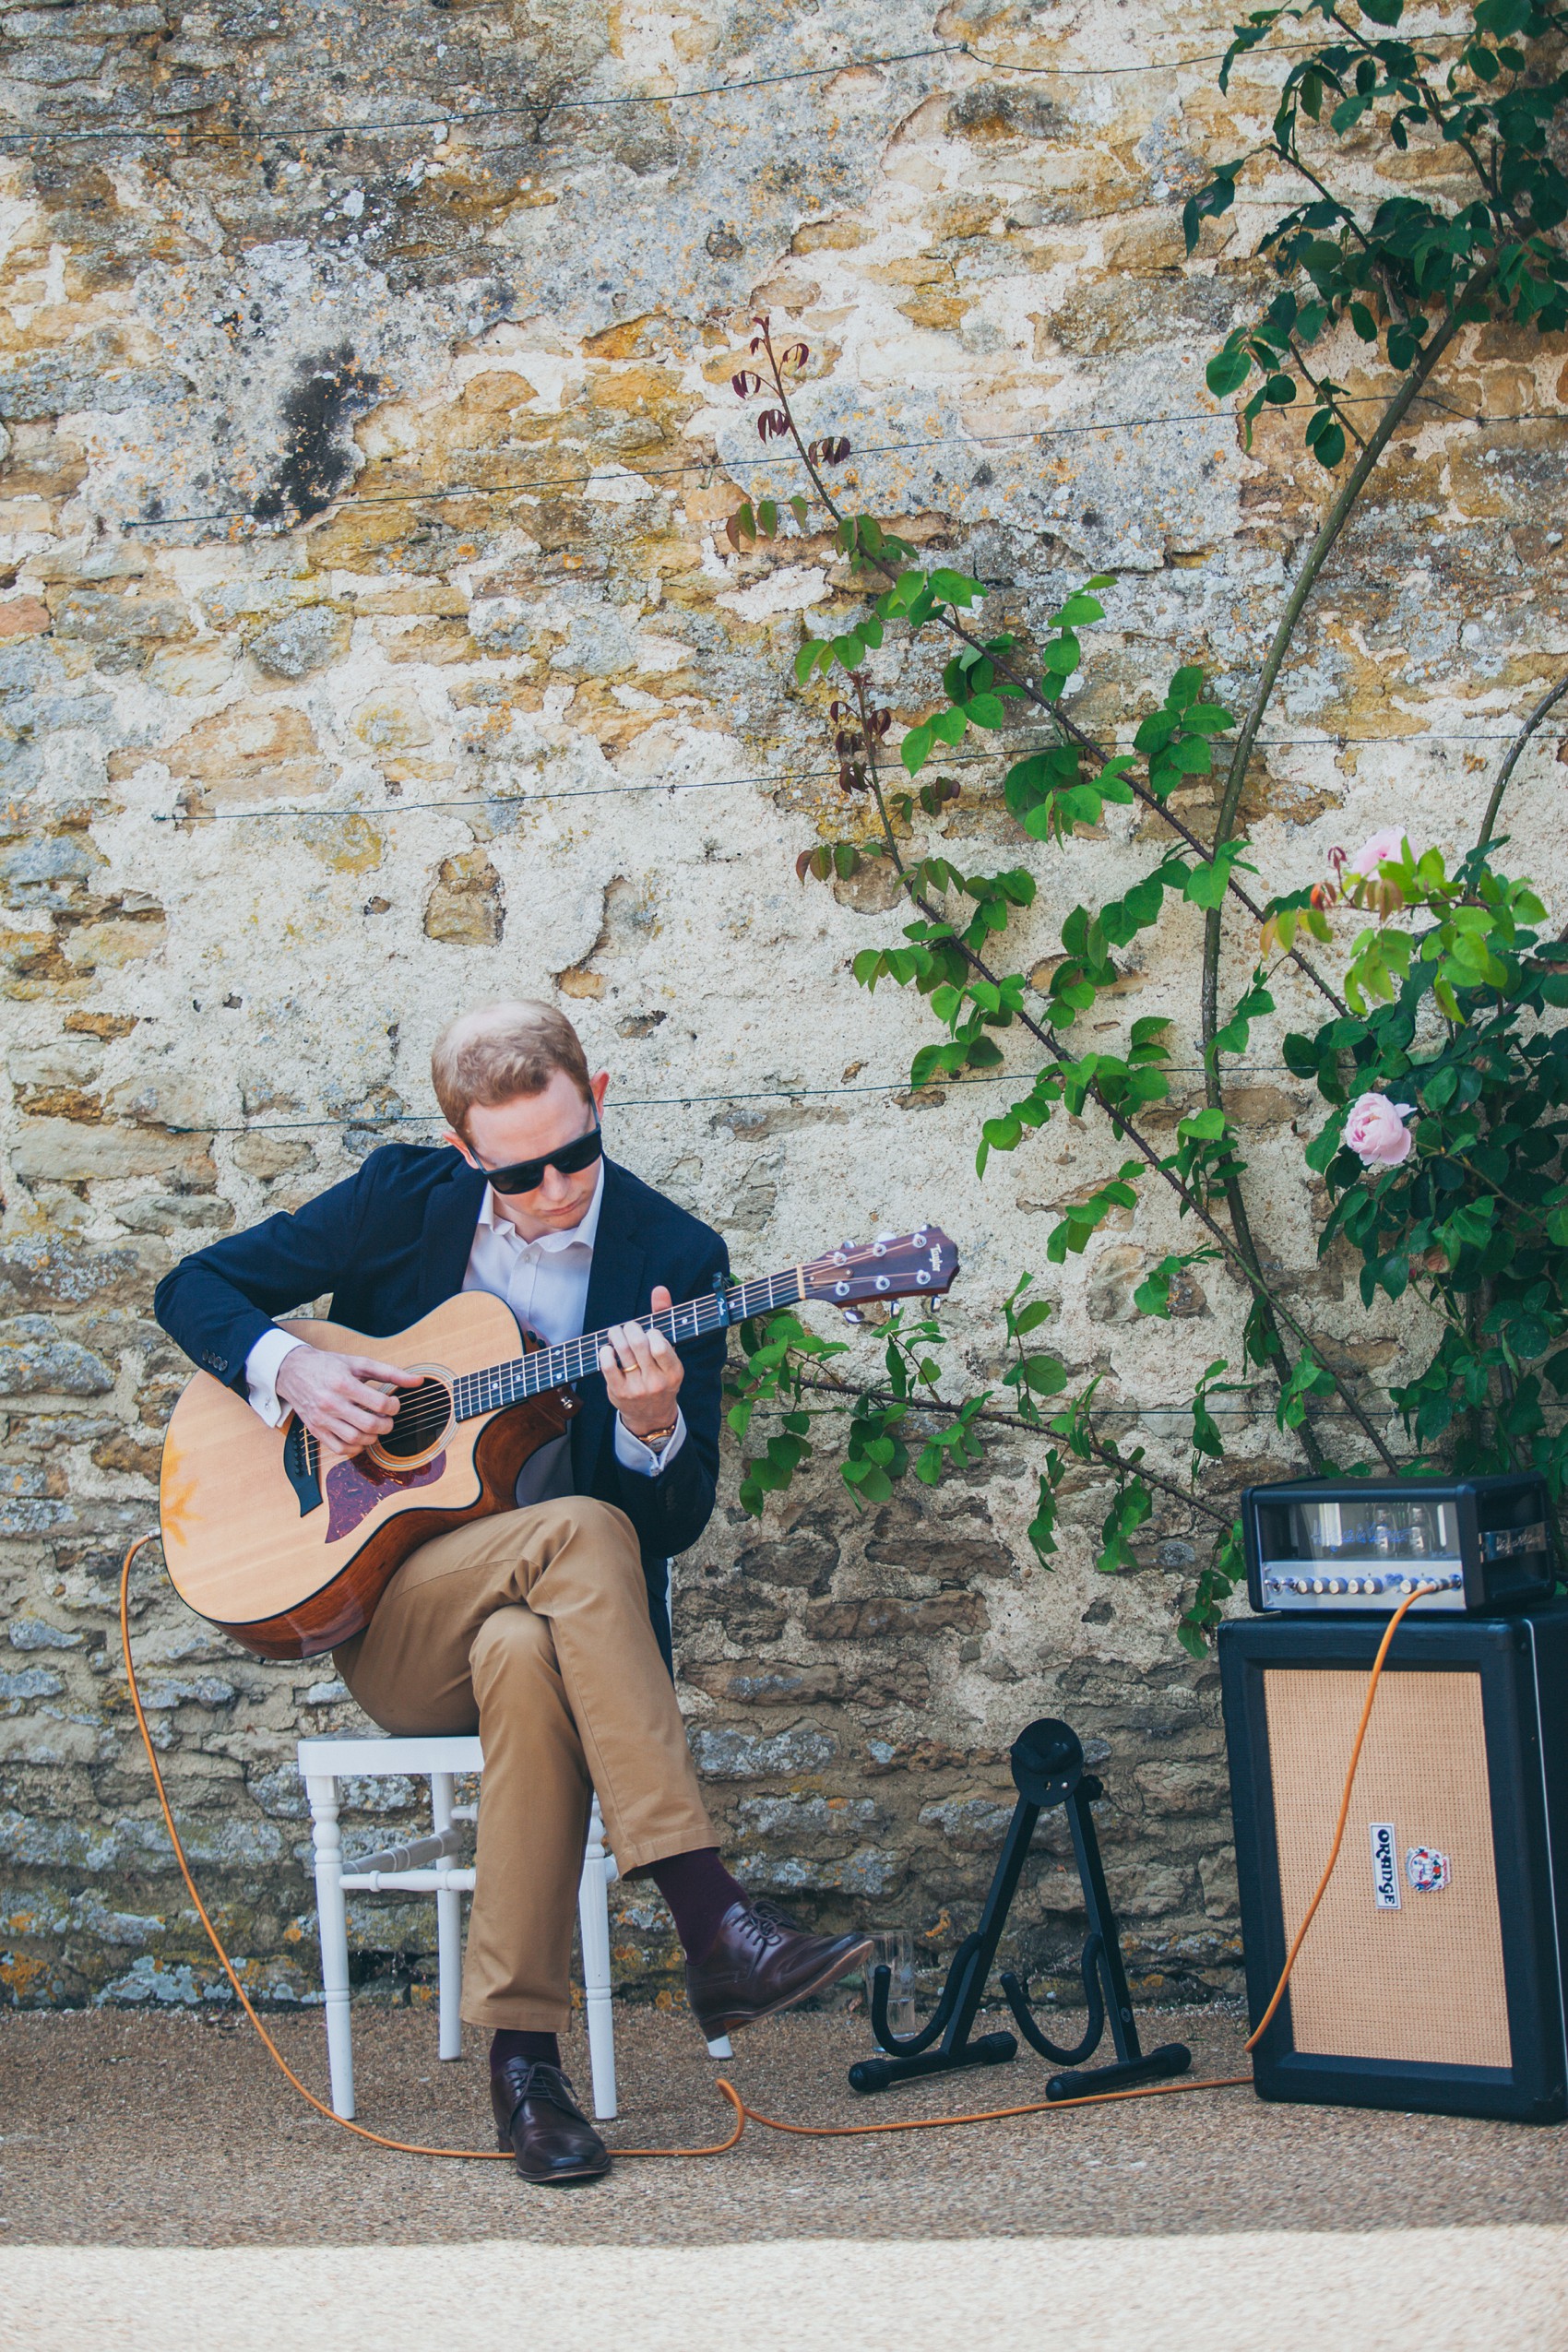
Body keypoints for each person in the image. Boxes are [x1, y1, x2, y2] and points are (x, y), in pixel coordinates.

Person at [154, 1000, 871, 2185]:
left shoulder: (674, 1259)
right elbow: (197, 1286)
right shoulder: (401, 1198)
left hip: (547, 1632)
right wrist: (300, 1369)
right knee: (579, 1532)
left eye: (572, 1154)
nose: (551, 1191)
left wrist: (653, 1429)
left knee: (532, 1652)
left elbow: (673, 1522)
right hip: (391, 1623)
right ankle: (711, 1918)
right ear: (462, 1153)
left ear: (600, 1100)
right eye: (517, 1171)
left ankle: (523, 2068)